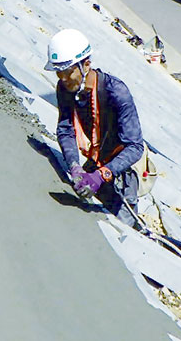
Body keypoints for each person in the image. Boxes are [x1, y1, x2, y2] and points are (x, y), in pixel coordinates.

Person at [49, 29, 145, 227]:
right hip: (95, 161)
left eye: (68, 72)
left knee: (124, 224)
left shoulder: (116, 92)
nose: (63, 78)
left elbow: (135, 147)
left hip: (121, 167)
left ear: (86, 65)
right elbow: (65, 128)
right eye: (59, 73)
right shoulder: (65, 88)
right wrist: (74, 165)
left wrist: (102, 175)